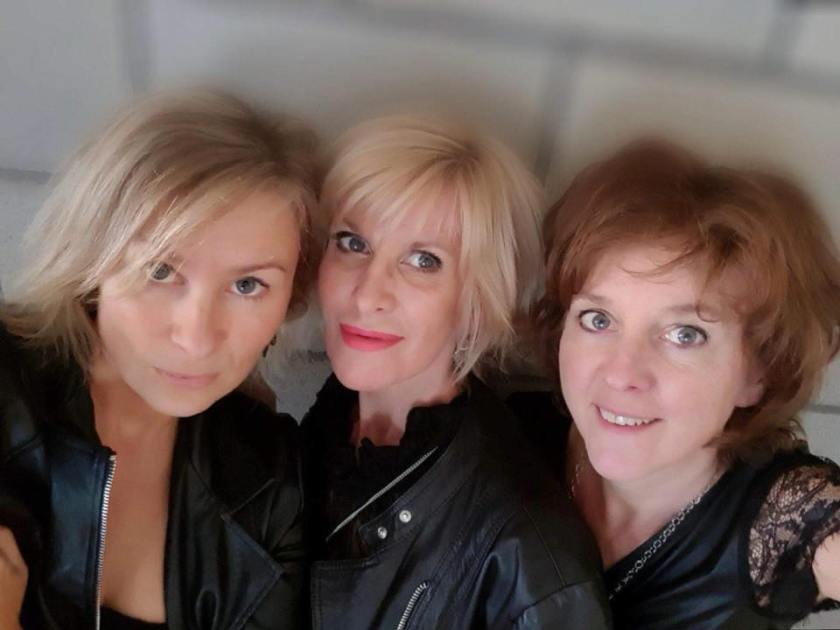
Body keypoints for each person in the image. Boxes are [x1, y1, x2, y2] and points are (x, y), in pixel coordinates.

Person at [0, 89, 320, 629]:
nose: (196, 338)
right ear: (92, 258)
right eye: (160, 271)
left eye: (248, 285)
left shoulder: (272, 482)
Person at [301, 115, 611, 629]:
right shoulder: (327, 424)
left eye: (424, 261)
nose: (368, 293)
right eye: (353, 243)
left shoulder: (528, 552)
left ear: (477, 298)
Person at [524, 139, 840, 629]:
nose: (622, 373)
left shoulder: (786, 516)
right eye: (598, 319)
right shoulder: (512, 438)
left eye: (684, 335)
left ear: (759, 373)